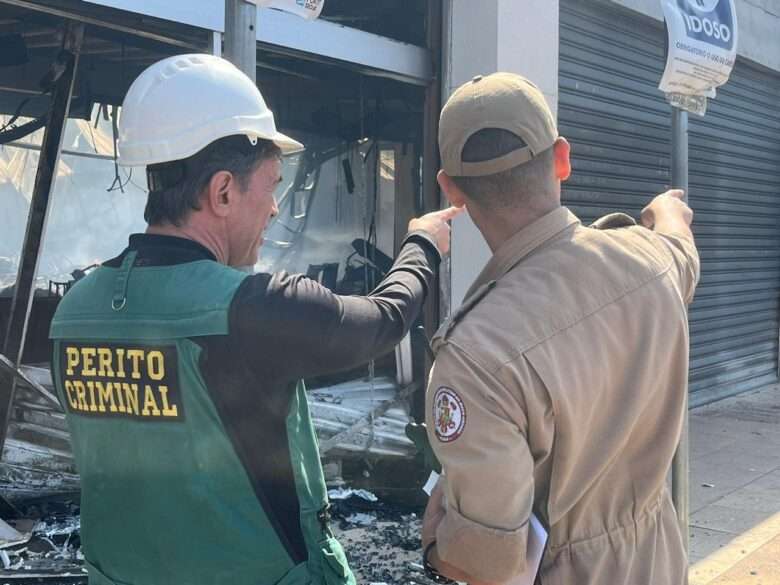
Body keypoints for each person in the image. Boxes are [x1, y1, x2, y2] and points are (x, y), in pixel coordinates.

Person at [48, 54, 460, 585]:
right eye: (270, 185)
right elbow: (383, 319)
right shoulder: (250, 307)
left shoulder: (75, 309)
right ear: (222, 191)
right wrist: (424, 243)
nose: (273, 209)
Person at [420, 72, 699, 585]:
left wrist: (436, 542)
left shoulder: (476, 358)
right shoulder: (651, 260)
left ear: (452, 191)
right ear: (563, 159)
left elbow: (487, 562)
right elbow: (682, 251)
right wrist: (666, 211)